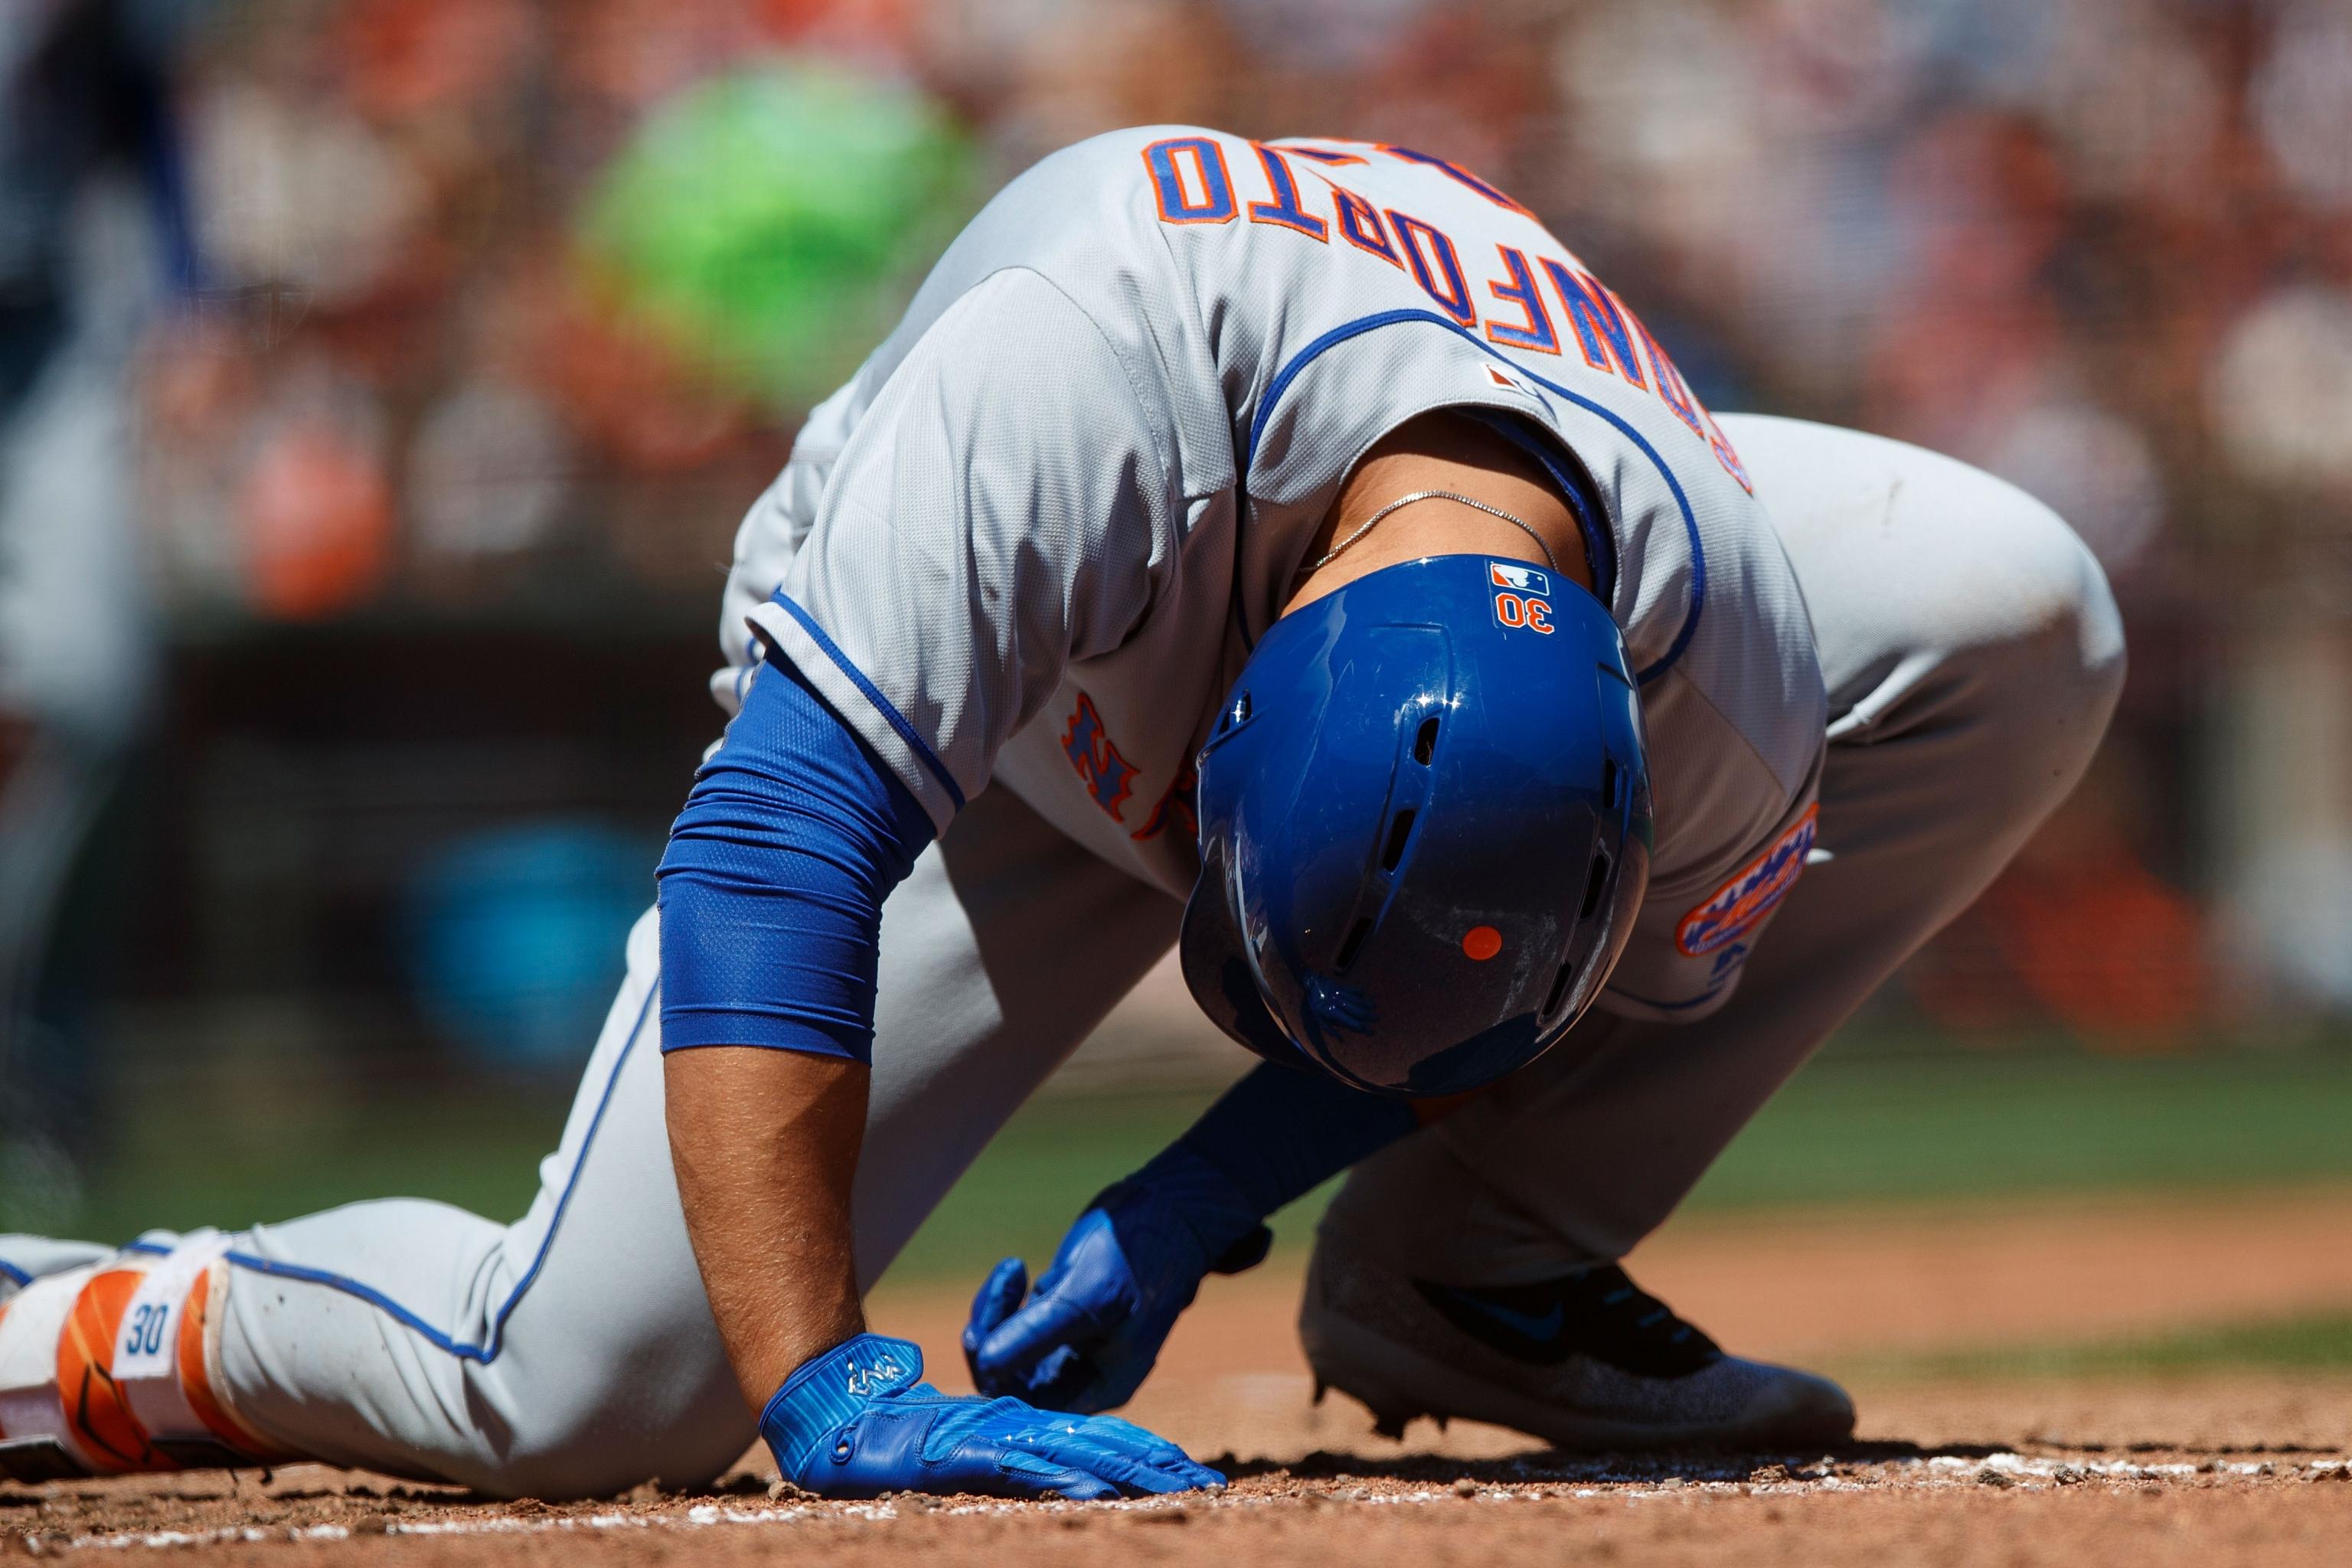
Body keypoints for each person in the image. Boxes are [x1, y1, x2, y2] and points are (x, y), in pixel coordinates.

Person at [0, 126, 2123, 1501]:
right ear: (1222, 725)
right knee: (584, 1392)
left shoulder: (1721, 670)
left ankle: (1480, 1277)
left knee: (2026, 612)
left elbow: (1508, 964)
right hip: (1002, 716)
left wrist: (1195, 1198)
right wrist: (822, 1381)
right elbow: (777, 848)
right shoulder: (1066, 384)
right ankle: (70, 1314)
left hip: (1410, 525)